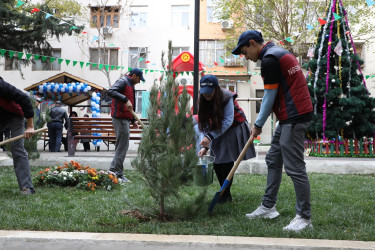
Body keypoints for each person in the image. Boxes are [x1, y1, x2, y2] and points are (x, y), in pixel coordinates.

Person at [232, 30, 314, 232]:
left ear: (253, 43)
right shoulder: (278, 52)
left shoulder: (269, 59)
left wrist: (258, 124)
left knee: (295, 168)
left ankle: (304, 217)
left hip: (293, 117)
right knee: (274, 160)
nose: (246, 57)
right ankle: (268, 207)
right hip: (290, 116)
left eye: (245, 52)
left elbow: (269, 96)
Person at [197, 74, 256, 203]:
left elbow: (228, 120)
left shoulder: (226, 96)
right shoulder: (202, 99)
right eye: (204, 92)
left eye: (209, 92)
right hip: (217, 128)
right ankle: (224, 193)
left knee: (226, 159)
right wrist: (204, 145)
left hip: (234, 126)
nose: (206, 95)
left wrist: (210, 136)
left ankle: (225, 195)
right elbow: (204, 124)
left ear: (216, 89)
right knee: (217, 160)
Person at [106, 68, 145, 183]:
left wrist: (133, 120)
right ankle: (118, 173)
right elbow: (111, 91)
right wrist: (125, 99)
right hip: (119, 117)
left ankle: (113, 170)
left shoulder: (130, 84)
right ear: (134, 76)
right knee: (122, 146)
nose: (139, 81)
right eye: (139, 78)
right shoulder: (123, 81)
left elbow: (129, 106)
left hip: (125, 118)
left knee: (122, 145)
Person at [0, 76, 36, 195]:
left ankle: (27, 188)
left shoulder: (2, 86)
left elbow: (24, 99)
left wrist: (30, 126)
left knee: (17, 148)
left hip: (14, 116)